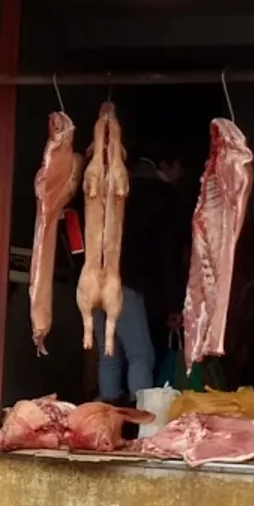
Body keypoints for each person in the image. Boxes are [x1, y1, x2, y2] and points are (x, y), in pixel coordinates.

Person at [93, 147, 187, 404]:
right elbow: (165, 252)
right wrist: (173, 302)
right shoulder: (159, 197)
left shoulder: (112, 192)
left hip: (96, 281)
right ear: (169, 165)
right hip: (128, 284)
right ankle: (141, 418)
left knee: (109, 355)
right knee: (141, 355)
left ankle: (105, 418)